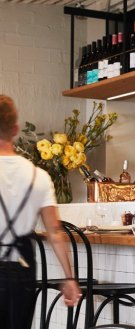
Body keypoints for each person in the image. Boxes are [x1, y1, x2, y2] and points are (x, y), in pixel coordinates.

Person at [0, 95, 81, 329]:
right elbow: (55, 232)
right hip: (21, 270)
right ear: (15, 129)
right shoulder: (39, 177)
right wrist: (69, 277)